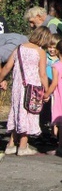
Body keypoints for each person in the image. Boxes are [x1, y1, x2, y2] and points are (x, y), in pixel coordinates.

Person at [0, 26, 52, 156]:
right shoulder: (40, 52)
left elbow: (7, 67)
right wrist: (46, 92)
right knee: (29, 113)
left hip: (18, 86)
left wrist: (1, 79)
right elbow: (43, 74)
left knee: (17, 111)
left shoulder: (19, 48)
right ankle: (23, 145)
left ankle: (11, 144)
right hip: (33, 87)